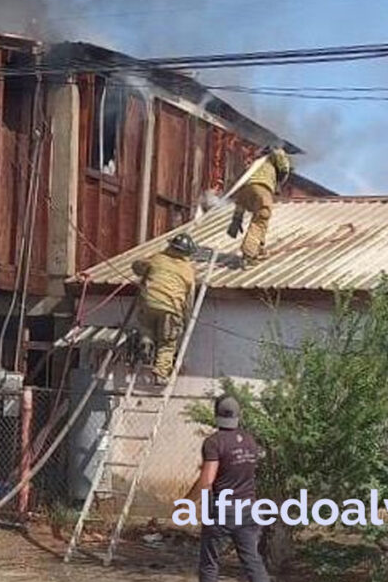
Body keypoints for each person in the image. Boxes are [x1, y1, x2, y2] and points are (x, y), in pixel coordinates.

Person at [189, 395, 269, 582]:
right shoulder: (250, 441)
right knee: (252, 561)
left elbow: (207, 479)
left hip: (223, 509)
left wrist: (187, 501)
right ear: (238, 415)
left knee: (210, 563)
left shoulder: (214, 442)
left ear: (216, 414)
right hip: (249, 508)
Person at [131, 233, 197, 386]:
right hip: (171, 309)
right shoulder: (188, 271)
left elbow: (137, 267)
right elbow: (189, 300)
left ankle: (146, 342)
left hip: (148, 302)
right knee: (167, 342)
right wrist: (187, 320)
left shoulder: (157, 258)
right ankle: (160, 374)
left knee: (147, 327)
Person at [227, 147, 291, 268]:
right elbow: (284, 168)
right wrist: (280, 181)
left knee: (261, 218)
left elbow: (241, 199)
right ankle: (249, 255)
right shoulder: (275, 157)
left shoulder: (255, 163)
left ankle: (259, 248)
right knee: (262, 217)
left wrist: (237, 218)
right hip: (262, 188)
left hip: (245, 189)